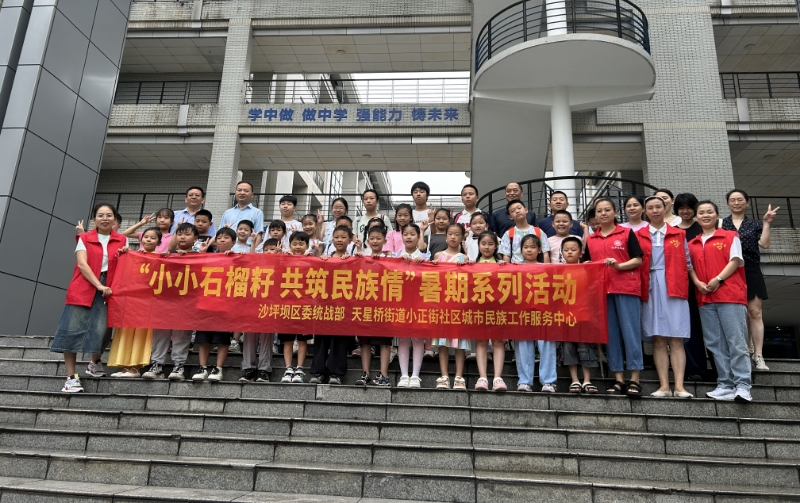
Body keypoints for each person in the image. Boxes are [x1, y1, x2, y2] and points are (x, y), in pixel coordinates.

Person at [52, 204, 127, 392]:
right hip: (84, 285)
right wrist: (99, 285)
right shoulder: (84, 238)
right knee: (71, 330)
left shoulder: (122, 239)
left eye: (109, 215)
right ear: (94, 219)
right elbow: (82, 265)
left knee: (103, 329)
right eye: (100, 215)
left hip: (109, 288)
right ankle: (71, 378)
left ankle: (95, 363)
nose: (105, 218)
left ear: (114, 218)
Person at [689, 200, 752, 402]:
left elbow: (735, 260)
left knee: (736, 342)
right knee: (715, 344)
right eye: (701, 212)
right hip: (705, 298)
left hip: (730, 295)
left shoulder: (730, 236)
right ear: (696, 217)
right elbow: (689, 267)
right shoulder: (692, 243)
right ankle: (725, 384)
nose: (705, 215)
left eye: (709, 212)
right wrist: (697, 282)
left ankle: (743, 385)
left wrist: (718, 279)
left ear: (717, 215)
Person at [583, 197, 644, 397]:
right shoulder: (591, 239)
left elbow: (638, 259)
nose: (603, 213)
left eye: (607, 210)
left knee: (631, 333)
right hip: (602, 293)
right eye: (599, 211)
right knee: (610, 335)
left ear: (615, 212)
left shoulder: (626, 233)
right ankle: (618, 379)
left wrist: (619, 266)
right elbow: (586, 264)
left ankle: (635, 379)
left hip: (626, 288)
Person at [638, 196, 693, 398]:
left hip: (674, 285)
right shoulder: (638, 235)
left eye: (658, 207)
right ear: (645, 211)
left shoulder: (679, 233)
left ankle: (679, 386)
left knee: (676, 338)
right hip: (650, 286)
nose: (654, 211)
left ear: (665, 208)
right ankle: (663, 386)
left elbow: (687, 261)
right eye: (650, 208)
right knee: (658, 338)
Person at [721, 189, 779, 371]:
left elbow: (765, 244)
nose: (736, 203)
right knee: (738, 314)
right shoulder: (721, 224)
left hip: (751, 269)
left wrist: (766, 223)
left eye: (740, 200)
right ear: (728, 204)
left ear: (747, 203)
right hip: (729, 271)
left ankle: (758, 355)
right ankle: (745, 351)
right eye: (732, 200)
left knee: (755, 312)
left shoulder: (754, 224)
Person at [141, 223, 199, 381]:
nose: (182, 237)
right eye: (179, 234)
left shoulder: (200, 257)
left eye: (187, 234)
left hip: (186, 303)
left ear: (195, 238)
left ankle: (178, 366)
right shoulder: (166, 255)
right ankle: (157, 365)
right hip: (165, 302)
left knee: (181, 335)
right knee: (160, 333)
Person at [107, 228, 162, 378]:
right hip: (130, 301)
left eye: (153, 238)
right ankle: (125, 366)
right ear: (141, 239)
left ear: (159, 242)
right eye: (146, 237)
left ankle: (135, 368)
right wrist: (125, 254)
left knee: (141, 333)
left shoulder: (160, 258)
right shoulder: (133, 255)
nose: (148, 240)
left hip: (148, 302)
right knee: (126, 331)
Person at [191, 227, 241, 382]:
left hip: (225, 305)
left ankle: (218, 368)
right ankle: (202, 367)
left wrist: (239, 257)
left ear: (233, 242)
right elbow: (195, 271)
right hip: (205, 304)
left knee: (222, 338)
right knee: (203, 338)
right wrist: (201, 254)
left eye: (226, 238)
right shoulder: (208, 257)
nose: (222, 240)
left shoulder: (237, 258)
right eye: (219, 238)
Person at [674, 193, 713, 381]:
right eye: (681, 208)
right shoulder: (673, 232)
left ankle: (720, 371)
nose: (685, 211)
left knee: (712, 328)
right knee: (691, 329)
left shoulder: (703, 229)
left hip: (709, 284)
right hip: (685, 286)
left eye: (689, 207)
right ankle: (695, 369)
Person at [514, 234, 558, 393]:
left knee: (546, 345)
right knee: (523, 346)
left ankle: (549, 381)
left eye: (533, 247)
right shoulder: (514, 267)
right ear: (521, 250)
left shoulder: (547, 267)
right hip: (522, 313)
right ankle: (524, 381)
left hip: (543, 312)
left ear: (539, 250)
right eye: (526, 247)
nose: (529, 250)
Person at [313, 227, 356, 384]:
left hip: (343, 307)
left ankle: (335, 374)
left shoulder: (353, 260)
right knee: (321, 340)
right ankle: (318, 372)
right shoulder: (326, 258)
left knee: (339, 341)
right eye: (336, 237)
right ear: (332, 239)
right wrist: (320, 257)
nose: (339, 240)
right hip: (324, 306)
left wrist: (351, 260)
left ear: (349, 240)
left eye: (343, 237)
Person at [560, 236, 599, 394]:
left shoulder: (587, 269)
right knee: (568, 347)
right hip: (565, 316)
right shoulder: (557, 270)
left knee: (586, 347)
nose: (569, 252)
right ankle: (575, 379)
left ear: (581, 252)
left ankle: (587, 380)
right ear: (562, 252)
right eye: (566, 250)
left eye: (573, 249)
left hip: (584, 315)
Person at [355, 226, 393, 386]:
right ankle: (366, 373)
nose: (375, 241)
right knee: (365, 341)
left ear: (385, 240)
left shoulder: (391, 259)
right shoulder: (361, 258)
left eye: (378, 238)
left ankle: (384, 375)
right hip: (365, 305)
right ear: (367, 241)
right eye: (372, 238)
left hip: (385, 306)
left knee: (385, 341)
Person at [472, 231, 507, 391]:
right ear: (478, 245)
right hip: (478, 307)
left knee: (498, 341)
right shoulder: (472, 264)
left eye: (490, 244)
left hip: (498, 307)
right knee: (481, 341)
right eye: (483, 243)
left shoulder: (502, 264)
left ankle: (498, 378)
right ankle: (483, 377)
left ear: (496, 246)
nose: (486, 247)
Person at [276, 232, 313, 383]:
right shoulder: (285, 259)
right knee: (288, 340)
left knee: (303, 340)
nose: (298, 247)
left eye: (301, 244)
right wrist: (279, 256)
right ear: (289, 245)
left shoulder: (311, 260)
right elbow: (276, 271)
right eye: (295, 244)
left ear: (307, 246)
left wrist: (317, 254)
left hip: (305, 307)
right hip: (287, 306)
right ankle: (288, 368)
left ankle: (299, 368)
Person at [395, 223, 428, 388]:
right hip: (401, 302)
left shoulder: (425, 256)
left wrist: (423, 263)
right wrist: (398, 262)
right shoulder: (395, 255)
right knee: (402, 338)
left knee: (417, 338)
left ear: (418, 236)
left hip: (419, 303)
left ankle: (415, 375)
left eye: (412, 234)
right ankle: (404, 375)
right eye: (406, 234)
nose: (409, 237)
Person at [499, 199, 550, 264]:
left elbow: (545, 252)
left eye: (519, 208)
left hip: (535, 268)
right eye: (513, 211)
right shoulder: (508, 234)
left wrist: (546, 268)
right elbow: (506, 255)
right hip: (516, 269)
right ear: (510, 217)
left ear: (526, 210)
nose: (517, 211)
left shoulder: (538, 231)